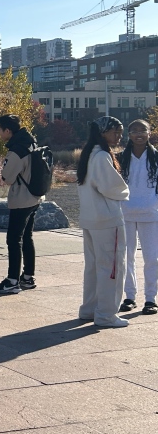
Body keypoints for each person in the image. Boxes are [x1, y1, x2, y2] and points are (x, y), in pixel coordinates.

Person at [77, 116, 130, 327]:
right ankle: (106, 314)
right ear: (103, 133)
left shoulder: (89, 154)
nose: (119, 136)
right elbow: (112, 187)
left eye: (120, 131)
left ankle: (90, 309)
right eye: (115, 131)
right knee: (112, 268)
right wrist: (126, 190)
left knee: (93, 267)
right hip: (107, 219)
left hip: (90, 218)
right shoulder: (101, 156)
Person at [0, 114, 44, 294]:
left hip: (21, 199)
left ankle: (12, 280)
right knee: (27, 237)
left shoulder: (16, 150)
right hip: (35, 196)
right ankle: (27, 277)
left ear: (8, 130)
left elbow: (7, 177)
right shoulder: (31, 142)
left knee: (13, 239)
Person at [118, 119, 158, 315]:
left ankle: (151, 298)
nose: (139, 134)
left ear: (149, 133)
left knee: (151, 258)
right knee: (126, 257)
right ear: (129, 135)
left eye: (143, 130)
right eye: (134, 131)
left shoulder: (156, 158)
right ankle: (129, 296)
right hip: (124, 213)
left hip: (151, 214)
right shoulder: (120, 158)